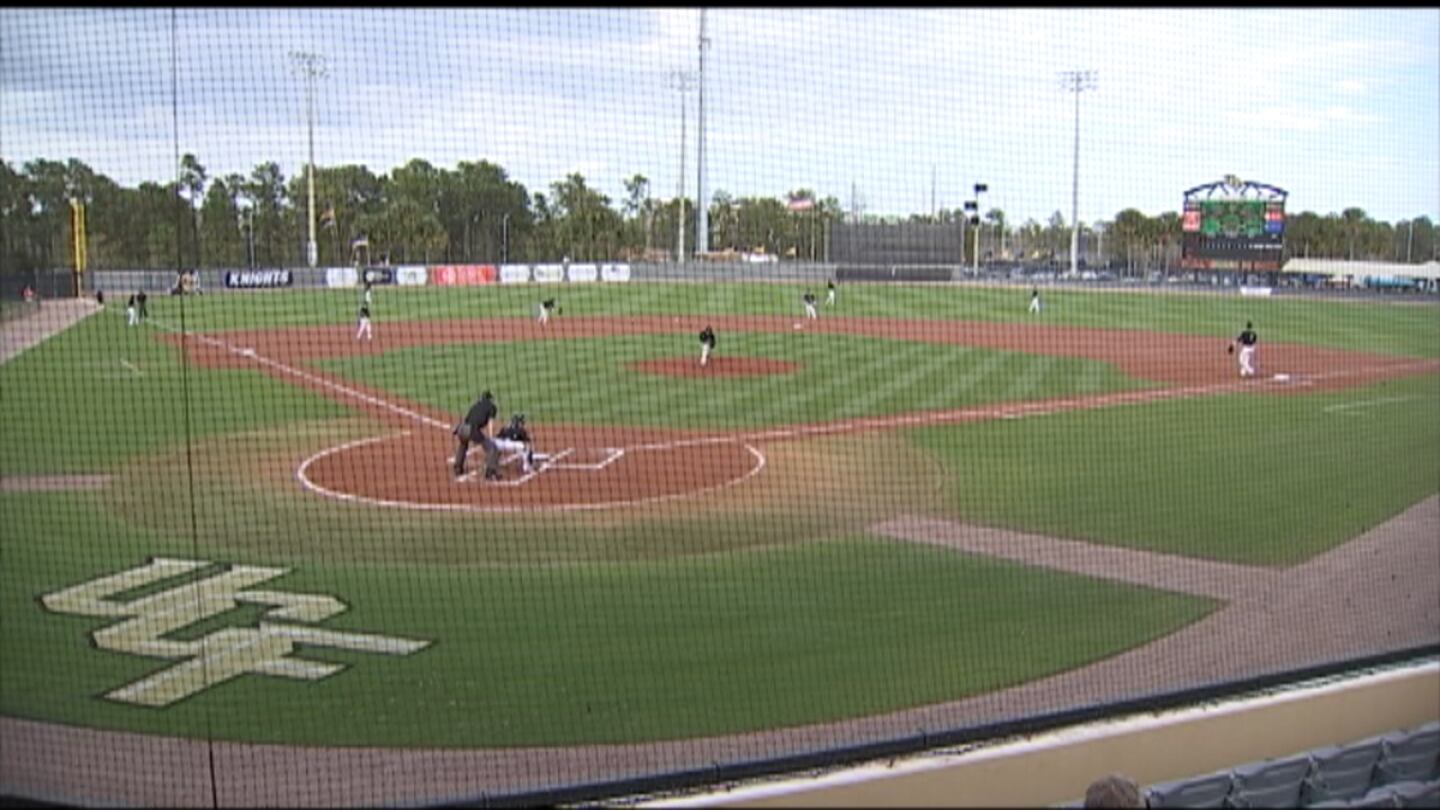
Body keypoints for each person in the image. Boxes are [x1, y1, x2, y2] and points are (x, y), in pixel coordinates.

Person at [453, 390, 500, 480]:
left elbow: (467, 419)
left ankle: (457, 468)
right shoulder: (492, 407)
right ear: (490, 399)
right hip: (472, 430)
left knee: (463, 445)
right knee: (492, 448)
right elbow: (490, 423)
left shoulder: (475, 405)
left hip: (462, 428)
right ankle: (490, 472)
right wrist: (490, 437)